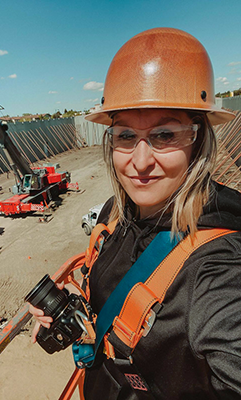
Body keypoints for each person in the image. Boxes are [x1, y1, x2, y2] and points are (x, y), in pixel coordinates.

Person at [29, 27, 241, 399]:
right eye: (126, 136)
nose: (140, 163)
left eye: (164, 135)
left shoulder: (218, 269)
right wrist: (77, 314)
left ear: (198, 140)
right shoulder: (115, 213)